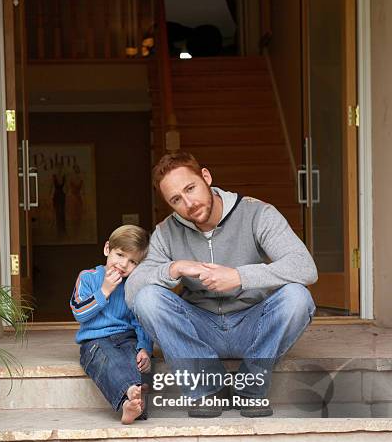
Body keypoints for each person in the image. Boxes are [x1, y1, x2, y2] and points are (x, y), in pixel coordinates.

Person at [124, 152, 318, 419]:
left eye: (190, 188)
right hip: (200, 330)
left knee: (298, 297)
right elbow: (133, 291)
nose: (189, 203)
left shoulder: (256, 213)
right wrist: (175, 267)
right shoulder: (166, 232)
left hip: (254, 325)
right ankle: (207, 387)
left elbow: (305, 267)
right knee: (148, 299)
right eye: (176, 200)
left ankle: (250, 385)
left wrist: (240, 276)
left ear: (206, 177)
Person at [70, 225, 153, 424]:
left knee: (136, 361)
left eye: (133, 261)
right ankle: (130, 396)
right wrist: (104, 291)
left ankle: (131, 404)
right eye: (120, 254)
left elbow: (141, 320)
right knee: (108, 359)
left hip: (126, 337)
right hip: (95, 340)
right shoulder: (88, 277)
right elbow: (79, 313)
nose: (124, 264)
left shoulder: (133, 285)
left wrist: (145, 348)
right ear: (107, 249)